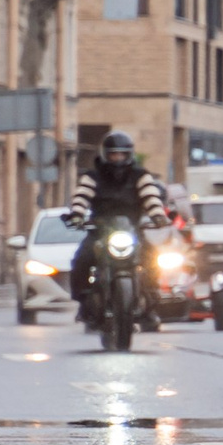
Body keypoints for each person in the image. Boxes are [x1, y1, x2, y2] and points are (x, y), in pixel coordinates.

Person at [65, 131, 171, 324]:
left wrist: (158, 216)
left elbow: (150, 197)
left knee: (152, 258)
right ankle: (83, 303)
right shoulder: (93, 176)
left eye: (122, 154)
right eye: (114, 154)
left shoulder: (140, 175)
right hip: (100, 231)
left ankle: (150, 301)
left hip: (132, 232)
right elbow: (82, 196)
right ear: (106, 154)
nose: (118, 158)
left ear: (129, 154)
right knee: (82, 259)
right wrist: (77, 214)